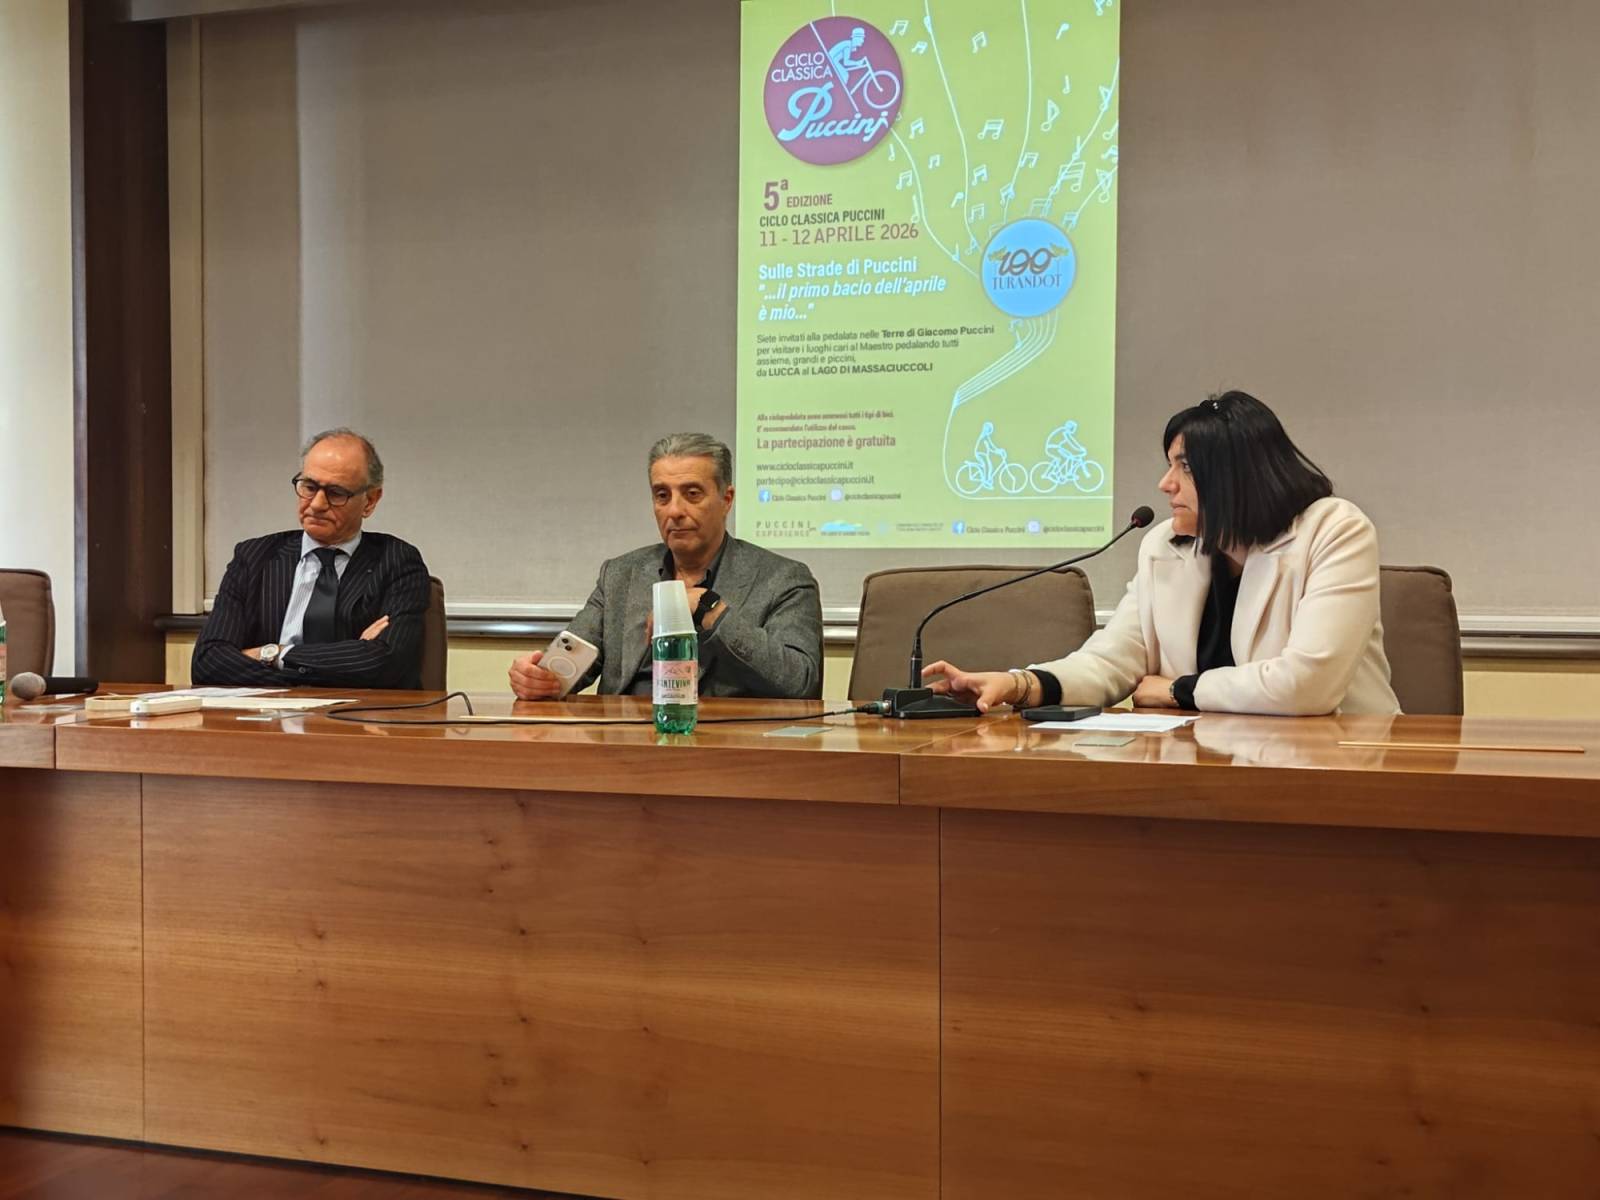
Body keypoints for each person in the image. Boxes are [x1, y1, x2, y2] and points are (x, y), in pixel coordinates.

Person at [924, 390, 1400, 716]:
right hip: (1205, 761)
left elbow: (1307, 685)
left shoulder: (1334, 530)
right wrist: (1017, 684)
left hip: (1340, 762)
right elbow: (1112, 661)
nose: (1165, 484)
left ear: (1236, 476)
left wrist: (1178, 691)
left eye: (1184, 467)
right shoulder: (1164, 546)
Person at [509, 433, 823, 700]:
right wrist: (537, 677)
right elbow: (569, 662)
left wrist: (709, 609)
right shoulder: (621, 574)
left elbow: (802, 682)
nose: (674, 510)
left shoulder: (783, 579)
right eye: (662, 495)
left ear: (726, 500)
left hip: (724, 740)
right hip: (624, 740)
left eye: (692, 494)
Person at [192, 428, 432, 689]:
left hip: (357, 713)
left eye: (336, 493)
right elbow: (208, 662)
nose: (317, 504)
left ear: (370, 500)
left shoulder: (397, 561)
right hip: (266, 711)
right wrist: (347, 659)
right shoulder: (254, 557)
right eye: (309, 487)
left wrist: (272, 654)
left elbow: (385, 665)